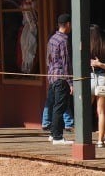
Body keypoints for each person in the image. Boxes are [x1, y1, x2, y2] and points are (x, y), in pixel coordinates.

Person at [46, 13, 73, 145]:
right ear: (68, 24)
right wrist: (70, 82)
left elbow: (48, 59)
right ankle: (57, 136)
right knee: (59, 107)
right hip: (61, 77)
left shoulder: (52, 39)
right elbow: (66, 62)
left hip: (52, 76)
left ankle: (53, 133)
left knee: (54, 105)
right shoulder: (63, 40)